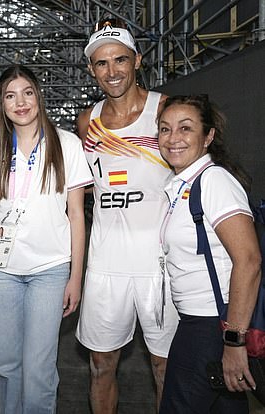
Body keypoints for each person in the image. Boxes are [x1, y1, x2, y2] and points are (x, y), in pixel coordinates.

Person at [0, 65, 92, 414]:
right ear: (1, 104)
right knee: (5, 366)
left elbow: (76, 217)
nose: (19, 102)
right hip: (1, 272)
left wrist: (75, 277)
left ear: (38, 96)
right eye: (10, 95)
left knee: (39, 369)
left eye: (26, 93)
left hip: (50, 271)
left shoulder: (66, 144)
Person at [74, 17, 179, 413]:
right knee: (101, 365)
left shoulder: (165, 109)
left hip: (160, 265)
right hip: (106, 264)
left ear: (136, 60)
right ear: (91, 69)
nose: (112, 71)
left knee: (164, 366)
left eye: (120, 60)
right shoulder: (88, 121)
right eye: (102, 63)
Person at [157, 95, 261, 413]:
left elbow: (249, 260)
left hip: (211, 328)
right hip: (203, 323)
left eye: (185, 128)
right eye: (164, 129)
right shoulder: (183, 185)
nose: (173, 138)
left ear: (208, 137)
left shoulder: (213, 181)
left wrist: (233, 341)